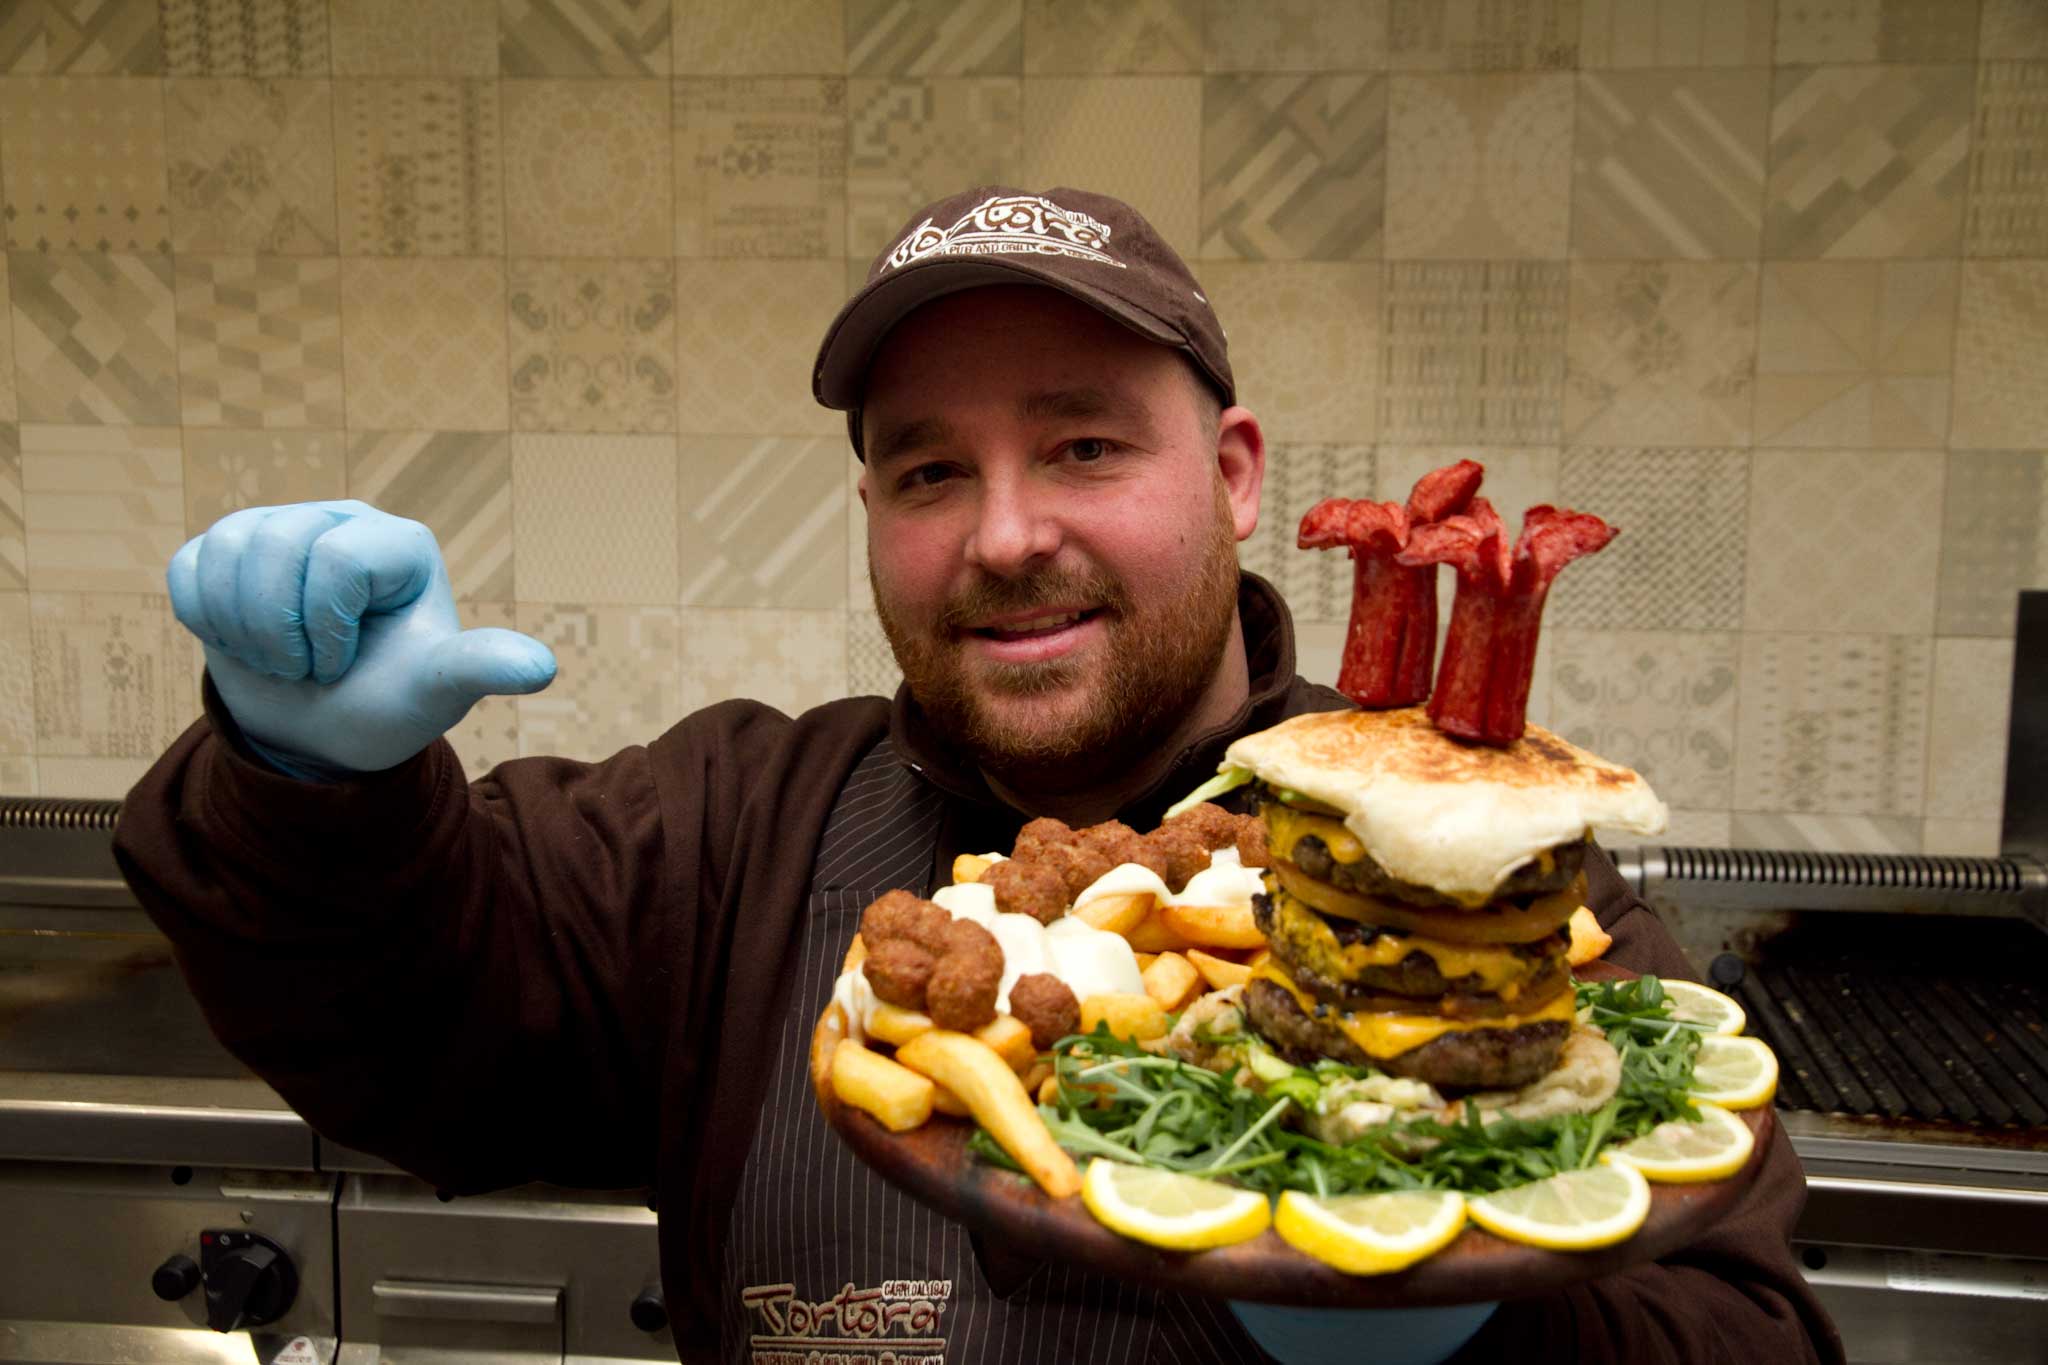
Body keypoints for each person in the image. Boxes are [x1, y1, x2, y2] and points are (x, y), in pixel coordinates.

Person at [113, 186, 1842, 1365]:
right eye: (931, 469)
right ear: (873, 514)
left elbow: (1758, 1336)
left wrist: (1477, 1321)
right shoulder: (729, 830)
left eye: (1083, 443)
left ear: (1235, 472)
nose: (1007, 535)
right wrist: (311, 786)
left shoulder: (1482, 898)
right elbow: (419, 1048)